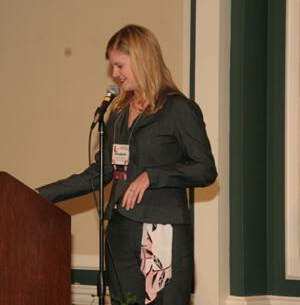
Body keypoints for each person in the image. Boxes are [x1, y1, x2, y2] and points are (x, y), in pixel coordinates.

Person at [37, 25, 217, 305]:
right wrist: (39, 196)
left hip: (162, 231)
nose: (115, 74)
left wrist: (153, 176)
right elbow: (100, 174)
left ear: (143, 60)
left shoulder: (178, 110)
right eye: (112, 66)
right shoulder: (118, 113)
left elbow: (205, 170)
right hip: (121, 231)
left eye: (120, 65)